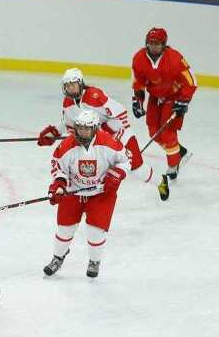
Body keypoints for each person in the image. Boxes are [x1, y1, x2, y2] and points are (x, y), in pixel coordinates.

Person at [37, 68, 169, 201]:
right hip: (99, 142)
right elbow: (68, 123)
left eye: (73, 84)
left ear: (80, 83)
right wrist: (53, 133)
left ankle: (160, 181)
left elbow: (121, 113)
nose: (71, 88)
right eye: (68, 85)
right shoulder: (68, 103)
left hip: (121, 136)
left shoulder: (95, 95)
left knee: (138, 170)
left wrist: (106, 131)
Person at [43, 110, 130, 278]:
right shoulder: (67, 145)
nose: (81, 131)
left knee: (95, 231)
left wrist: (117, 174)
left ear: (95, 128)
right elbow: (58, 166)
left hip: (101, 193)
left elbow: (126, 159)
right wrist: (59, 185)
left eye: (86, 128)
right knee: (64, 229)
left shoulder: (108, 143)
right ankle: (58, 257)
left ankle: (94, 260)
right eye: (79, 128)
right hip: (74, 191)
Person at [131, 27, 197, 180]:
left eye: (157, 43)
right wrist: (138, 100)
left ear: (164, 44)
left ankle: (173, 165)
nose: (153, 46)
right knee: (154, 132)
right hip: (155, 97)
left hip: (174, 96)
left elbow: (191, 80)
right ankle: (178, 151)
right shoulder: (139, 58)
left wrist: (184, 99)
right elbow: (139, 82)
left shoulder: (175, 58)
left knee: (167, 132)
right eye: (151, 42)